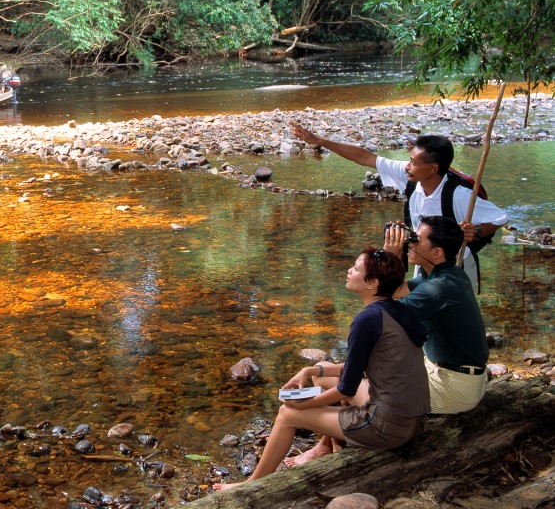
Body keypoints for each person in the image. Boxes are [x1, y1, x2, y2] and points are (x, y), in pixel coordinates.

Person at [213, 247, 429, 490]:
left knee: (287, 414)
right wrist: (312, 371)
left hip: (386, 428)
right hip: (411, 420)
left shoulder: (367, 320)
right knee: (324, 368)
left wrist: (302, 406)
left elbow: (347, 388)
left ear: (372, 283)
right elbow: (361, 366)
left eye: (356, 269)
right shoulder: (396, 310)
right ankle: (329, 446)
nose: (349, 271)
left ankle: (250, 485)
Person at [284, 215, 489, 467]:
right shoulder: (442, 275)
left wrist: (388, 260)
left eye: (416, 239)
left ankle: (335, 449)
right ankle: (325, 446)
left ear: (436, 252)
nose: (409, 241)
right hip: (449, 373)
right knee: (330, 376)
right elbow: (395, 290)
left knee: (339, 382)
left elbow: (384, 314)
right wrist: (390, 262)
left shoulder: (439, 288)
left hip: (454, 386)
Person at [289, 124, 506, 291]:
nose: (407, 166)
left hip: (457, 268)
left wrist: (477, 231)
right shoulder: (411, 177)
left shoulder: (458, 195)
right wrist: (320, 141)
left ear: (432, 169)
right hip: (424, 262)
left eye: (413, 161)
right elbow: (365, 157)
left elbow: (500, 218)